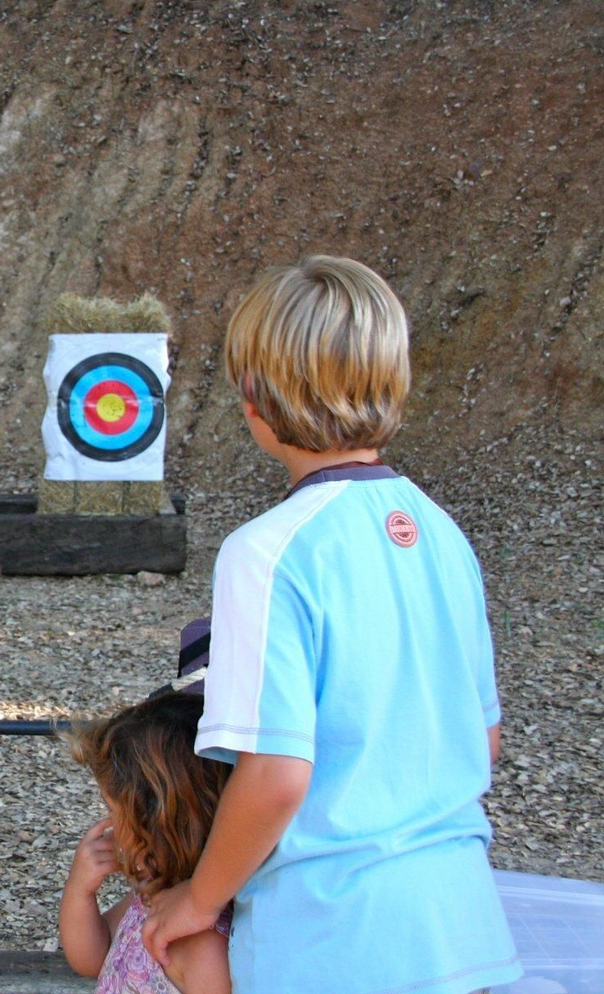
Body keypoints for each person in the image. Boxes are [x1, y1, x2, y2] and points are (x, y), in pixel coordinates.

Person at [141, 256, 522, 994]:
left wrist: (201, 896)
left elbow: (276, 773)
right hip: (464, 929)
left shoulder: (266, 552)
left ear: (255, 397)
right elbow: (482, 739)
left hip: (335, 940)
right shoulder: (444, 535)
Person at [60, 691, 233, 994]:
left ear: (157, 826)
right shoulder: (151, 893)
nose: (109, 825)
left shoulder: (203, 945)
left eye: (113, 811)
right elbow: (92, 958)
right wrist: (81, 891)